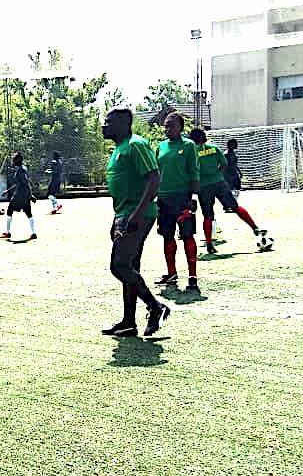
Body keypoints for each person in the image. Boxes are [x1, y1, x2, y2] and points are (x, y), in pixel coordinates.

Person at [100, 108, 170, 338]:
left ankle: (155, 307)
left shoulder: (136, 145)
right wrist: (118, 218)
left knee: (119, 266)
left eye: (108, 122)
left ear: (123, 124)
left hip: (137, 214)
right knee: (130, 268)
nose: (104, 126)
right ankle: (129, 322)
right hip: (125, 213)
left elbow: (154, 178)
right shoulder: (119, 148)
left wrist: (137, 214)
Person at [189, 128, 266, 256]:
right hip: (219, 183)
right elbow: (224, 164)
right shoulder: (214, 148)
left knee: (208, 216)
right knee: (235, 207)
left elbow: (190, 170)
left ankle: (209, 243)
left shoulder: (192, 153)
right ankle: (255, 228)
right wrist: (217, 174)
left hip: (203, 187)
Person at [155, 113, 201, 293]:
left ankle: (192, 276)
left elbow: (194, 172)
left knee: (187, 236)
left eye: (171, 126)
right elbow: (156, 173)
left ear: (180, 127)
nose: (167, 129)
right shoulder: (160, 147)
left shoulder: (189, 146)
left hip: (183, 199)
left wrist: (193, 198)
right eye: (166, 126)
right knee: (167, 236)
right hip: (163, 199)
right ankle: (171, 273)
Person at [1, 152, 36, 240]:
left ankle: (8, 233)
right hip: (25, 196)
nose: (12, 161)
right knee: (29, 213)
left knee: (9, 211)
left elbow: (25, 183)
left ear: (17, 160)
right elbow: (20, 183)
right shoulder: (23, 168)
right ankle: (33, 233)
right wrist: (7, 191)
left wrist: (31, 195)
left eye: (13, 159)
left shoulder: (20, 171)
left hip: (19, 196)